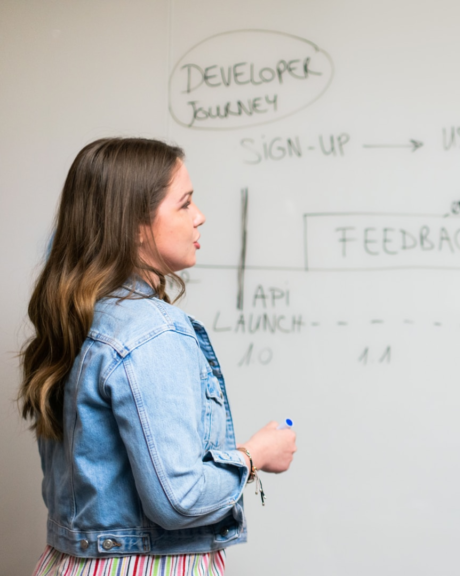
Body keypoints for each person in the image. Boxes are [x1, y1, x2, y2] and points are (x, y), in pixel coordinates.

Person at [18, 138, 297, 575]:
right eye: (184, 204)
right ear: (133, 225)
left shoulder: (77, 318)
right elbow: (178, 500)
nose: (199, 216)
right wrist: (254, 455)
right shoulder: (151, 331)